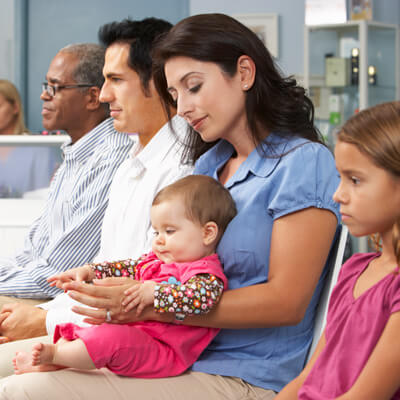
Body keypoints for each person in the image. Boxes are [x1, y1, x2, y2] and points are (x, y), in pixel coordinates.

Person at [0, 13, 340, 399]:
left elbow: (286, 302)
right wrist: (103, 277)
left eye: (193, 87)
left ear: (244, 73)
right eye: (175, 95)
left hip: (241, 373)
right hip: (169, 351)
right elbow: (164, 261)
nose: (181, 109)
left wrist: (150, 303)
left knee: (20, 391)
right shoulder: (209, 166)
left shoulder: (303, 163)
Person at [0, 17, 192, 375]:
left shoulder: (182, 171)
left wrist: (44, 318)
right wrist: (48, 316)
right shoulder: (132, 163)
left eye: (116, 81)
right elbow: (101, 271)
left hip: (126, 339)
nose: (104, 95)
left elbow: (132, 293)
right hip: (87, 322)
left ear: (161, 82)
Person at [13, 175, 235, 378]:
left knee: (109, 339)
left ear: (207, 233)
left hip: (162, 350)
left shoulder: (205, 273)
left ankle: (55, 357)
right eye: (156, 232)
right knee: (93, 330)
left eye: (169, 231)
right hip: (137, 333)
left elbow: (202, 300)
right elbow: (127, 267)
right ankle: (59, 359)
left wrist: (155, 293)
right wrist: (90, 271)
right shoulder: (158, 261)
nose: (158, 240)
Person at [0, 43, 133, 325]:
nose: (43, 95)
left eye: (55, 87)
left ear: (93, 97)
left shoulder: (111, 158)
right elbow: (33, 248)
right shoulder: (74, 154)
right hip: (32, 291)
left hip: (51, 301)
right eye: (45, 85)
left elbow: (59, 274)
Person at [276, 101, 400, 400]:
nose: (338, 194)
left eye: (355, 180)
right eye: (340, 177)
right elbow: (308, 377)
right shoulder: (354, 269)